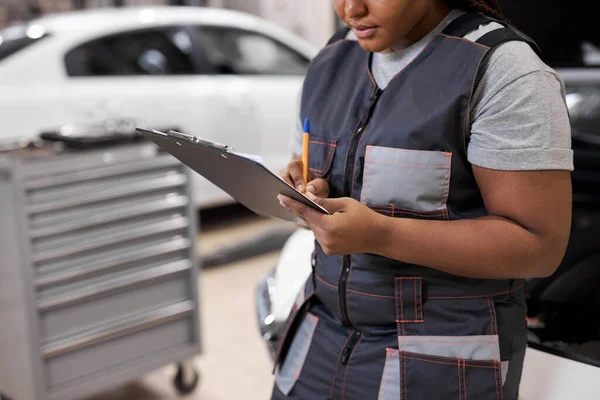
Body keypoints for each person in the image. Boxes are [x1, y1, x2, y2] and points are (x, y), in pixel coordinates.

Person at [274, 0, 573, 399]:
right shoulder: (333, 59)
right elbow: (309, 170)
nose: (350, 10)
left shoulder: (503, 70)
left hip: (439, 360)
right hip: (320, 340)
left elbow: (539, 246)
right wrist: (305, 186)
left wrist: (380, 235)